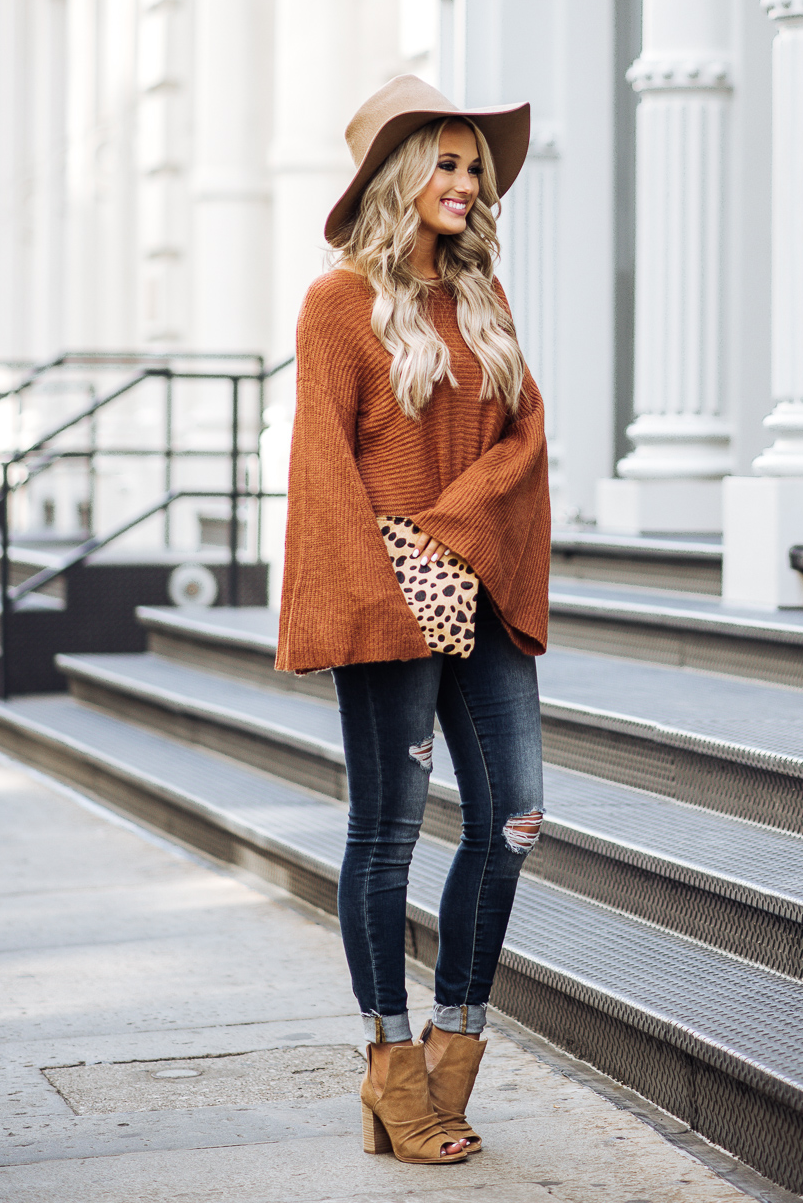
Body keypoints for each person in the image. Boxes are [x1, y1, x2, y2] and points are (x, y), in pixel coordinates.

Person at [276, 74, 551, 1166]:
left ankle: (454, 1045)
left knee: (516, 816)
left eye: (473, 164)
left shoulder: (482, 298)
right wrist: (375, 588)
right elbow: (323, 469)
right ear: (398, 176)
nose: (467, 181)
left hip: (475, 586)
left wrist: (455, 528)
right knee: (386, 834)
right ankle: (390, 1065)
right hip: (387, 597)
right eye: (444, 161)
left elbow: (524, 440)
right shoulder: (337, 303)